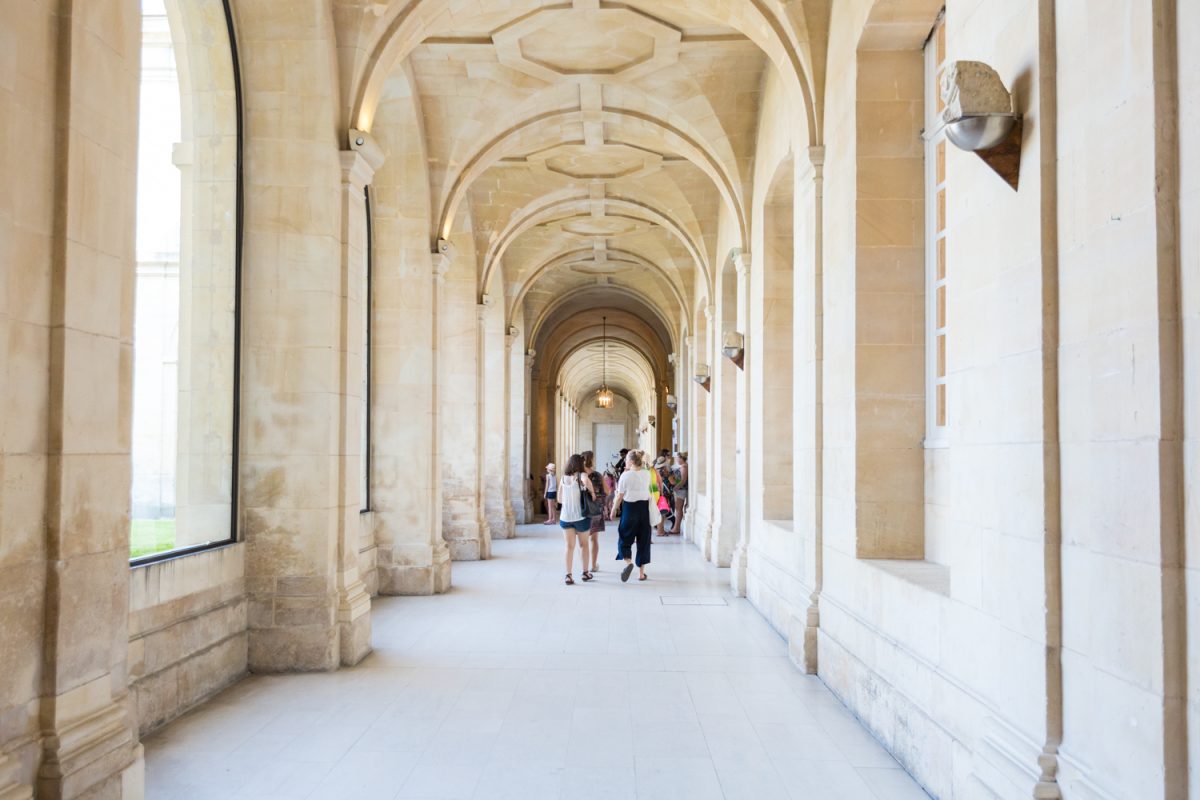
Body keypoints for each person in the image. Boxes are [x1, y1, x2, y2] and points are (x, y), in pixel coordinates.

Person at [610, 449, 652, 582]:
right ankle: (641, 574)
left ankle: (629, 563)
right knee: (643, 541)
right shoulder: (647, 474)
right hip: (644, 510)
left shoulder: (625, 476)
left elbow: (619, 496)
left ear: (632, 461)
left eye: (627, 460)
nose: (625, 462)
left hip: (629, 509)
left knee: (624, 538)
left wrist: (613, 510)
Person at [558, 454, 595, 585]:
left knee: (569, 546)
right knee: (584, 545)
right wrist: (592, 493)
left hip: (565, 517)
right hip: (580, 517)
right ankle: (585, 573)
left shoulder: (563, 478)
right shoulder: (582, 475)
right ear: (580, 464)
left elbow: (559, 499)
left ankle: (568, 575)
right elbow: (586, 482)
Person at [668, 452, 688, 535]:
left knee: (678, 509)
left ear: (681, 458)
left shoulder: (684, 467)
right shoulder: (682, 466)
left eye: (677, 458)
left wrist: (675, 488)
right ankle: (676, 527)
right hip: (679, 489)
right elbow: (679, 479)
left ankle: (676, 528)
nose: (676, 459)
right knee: (677, 508)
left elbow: (683, 480)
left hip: (681, 490)